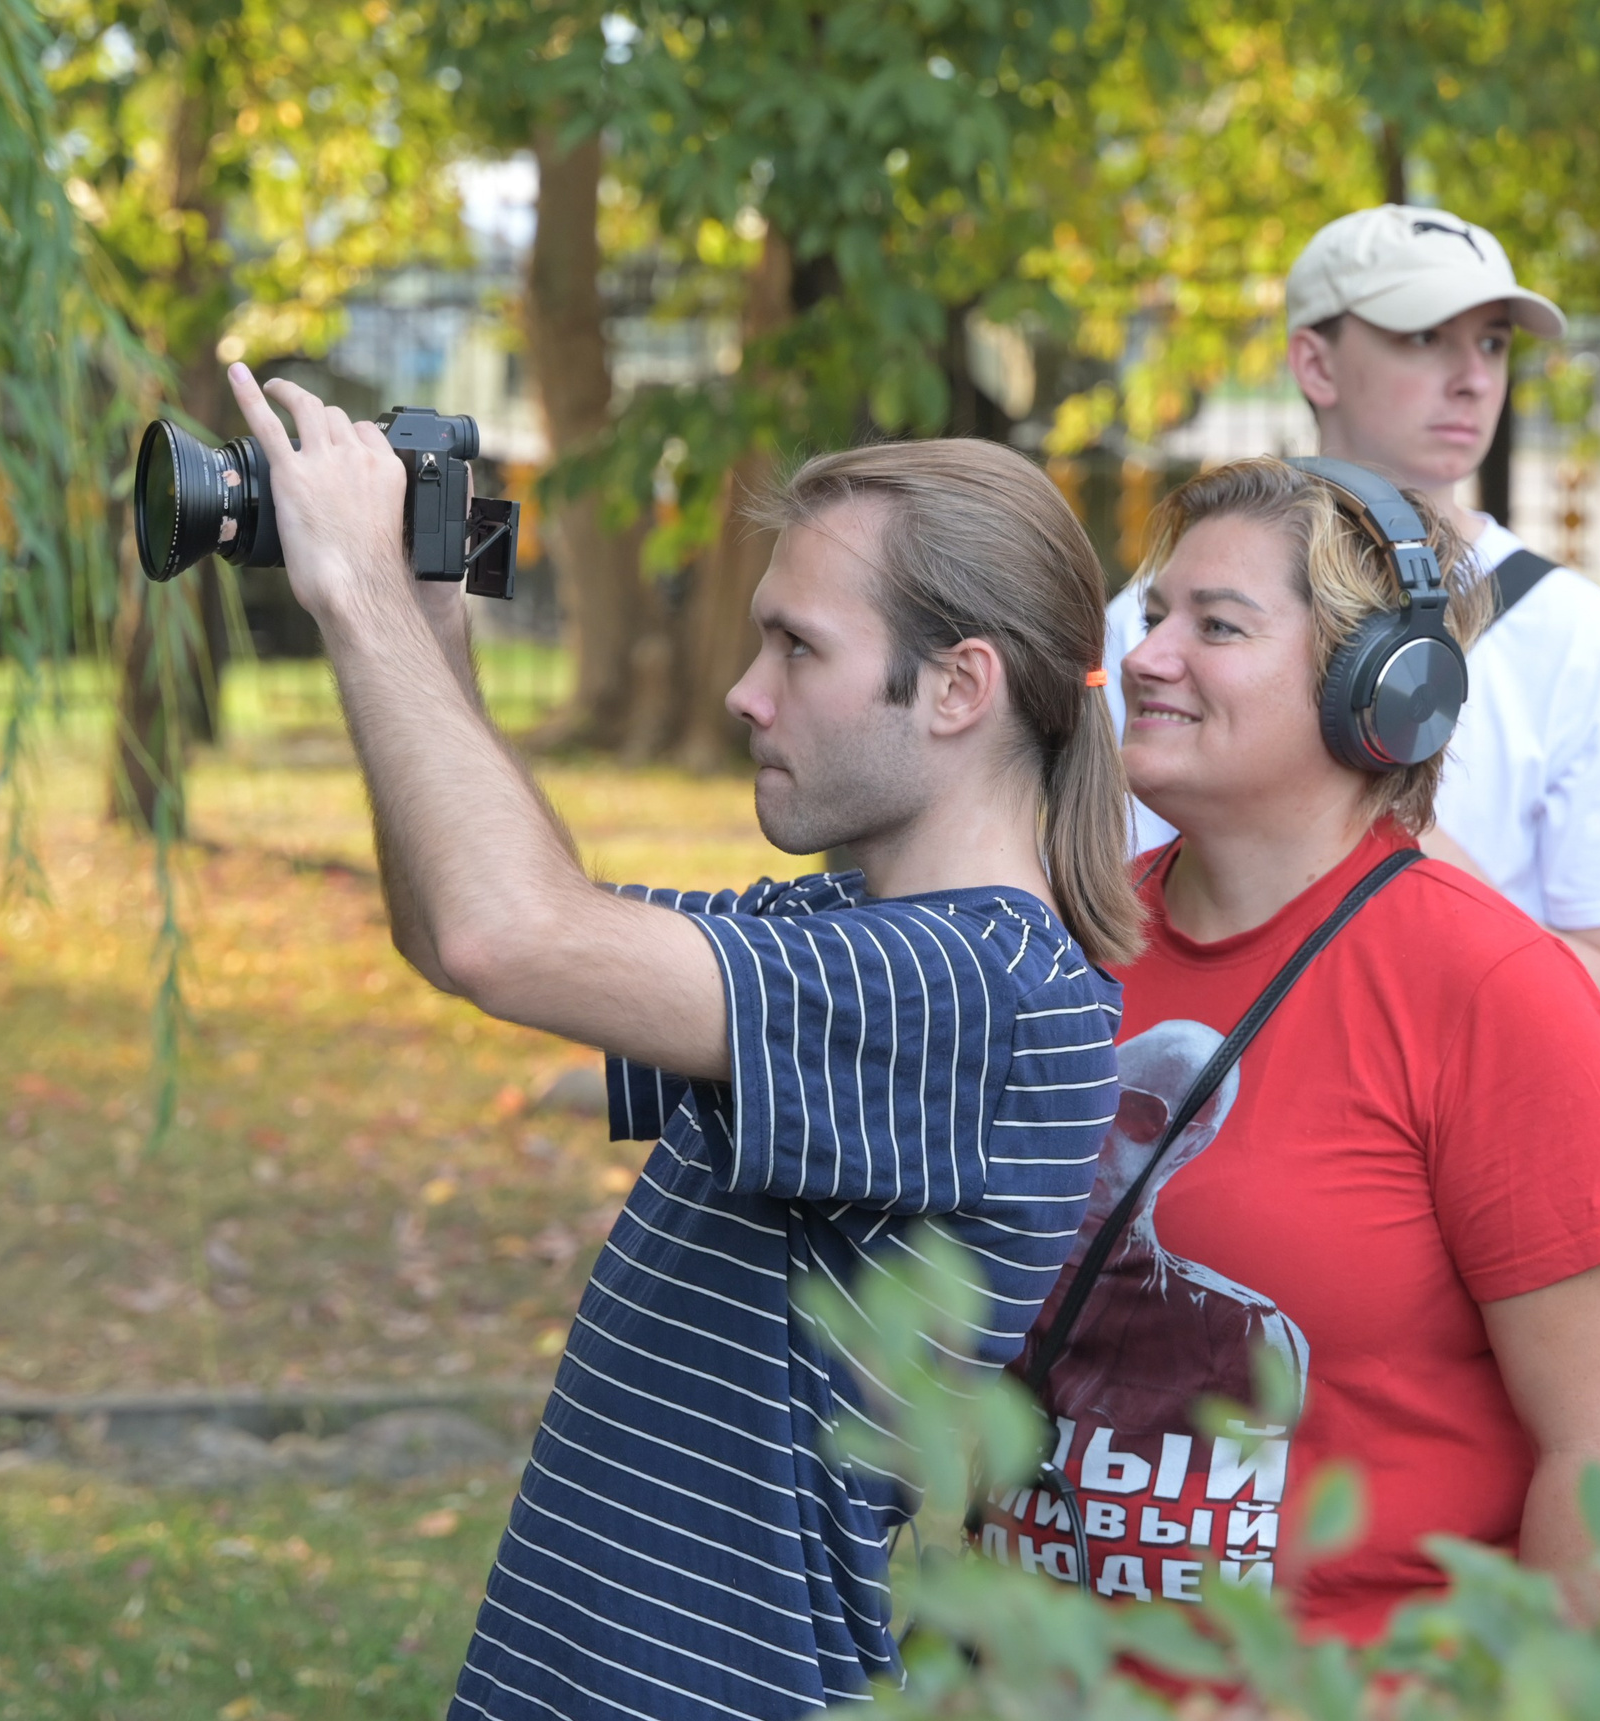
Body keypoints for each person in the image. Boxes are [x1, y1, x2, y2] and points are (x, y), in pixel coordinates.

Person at [224, 360, 1140, 1720]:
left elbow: (507, 932)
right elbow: (462, 934)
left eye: (798, 647)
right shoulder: (856, 936)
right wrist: (432, 633)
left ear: (957, 689)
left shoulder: (973, 990)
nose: (743, 692)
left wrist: (356, 597)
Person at [987, 458, 1600, 1640]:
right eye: (1155, 616)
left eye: (1216, 625)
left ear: (1381, 687)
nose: (1148, 657)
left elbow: (1598, 1459)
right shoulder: (1057, 944)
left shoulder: (1495, 991)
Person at [1102, 204, 1600, 1072]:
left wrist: (1376, 826)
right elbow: (1089, 937)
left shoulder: (1583, 641)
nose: (1473, 377)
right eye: (1425, 337)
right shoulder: (1149, 631)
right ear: (1315, 360)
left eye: (1494, 343)